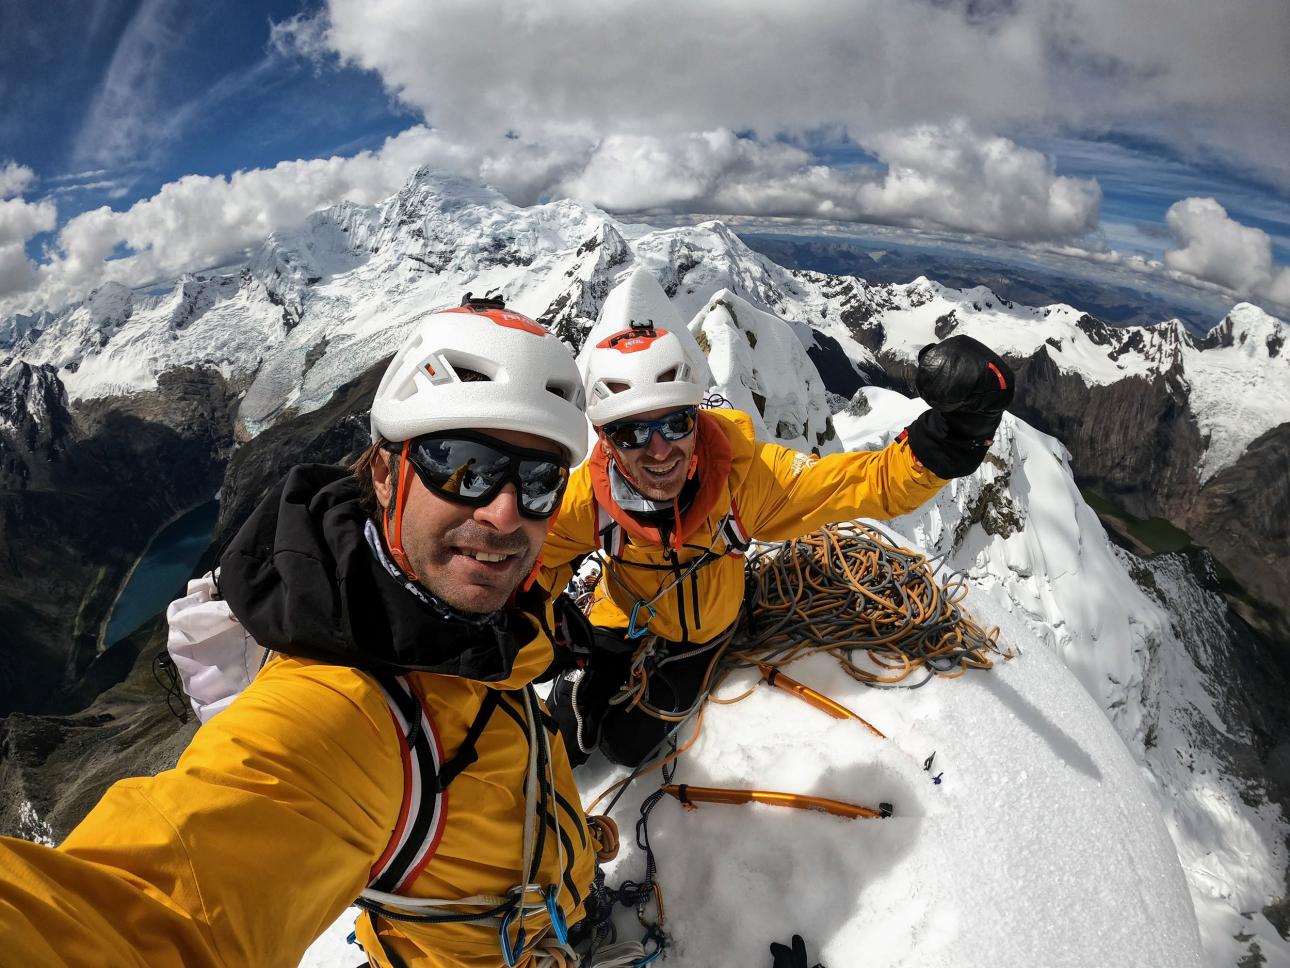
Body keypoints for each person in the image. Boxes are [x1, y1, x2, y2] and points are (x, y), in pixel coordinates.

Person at [0, 296, 601, 968]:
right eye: (463, 466)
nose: (504, 511)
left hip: (546, 913)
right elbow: (146, 912)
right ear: (383, 473)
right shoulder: (345, 712)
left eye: (540, 480)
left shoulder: (482, 627)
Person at [542, 319, 1015, 768]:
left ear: (696, 417)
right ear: (604, 438)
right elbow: (535, 559)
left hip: (707, 630)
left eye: (675, 424)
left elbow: (869, 485)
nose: (660, 450)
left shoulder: (746, 481)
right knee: (568, 732)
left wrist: (949, 442)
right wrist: (540, 624)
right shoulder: (587, 501)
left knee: (626, 745)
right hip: (620, 615)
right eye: (630, 432)